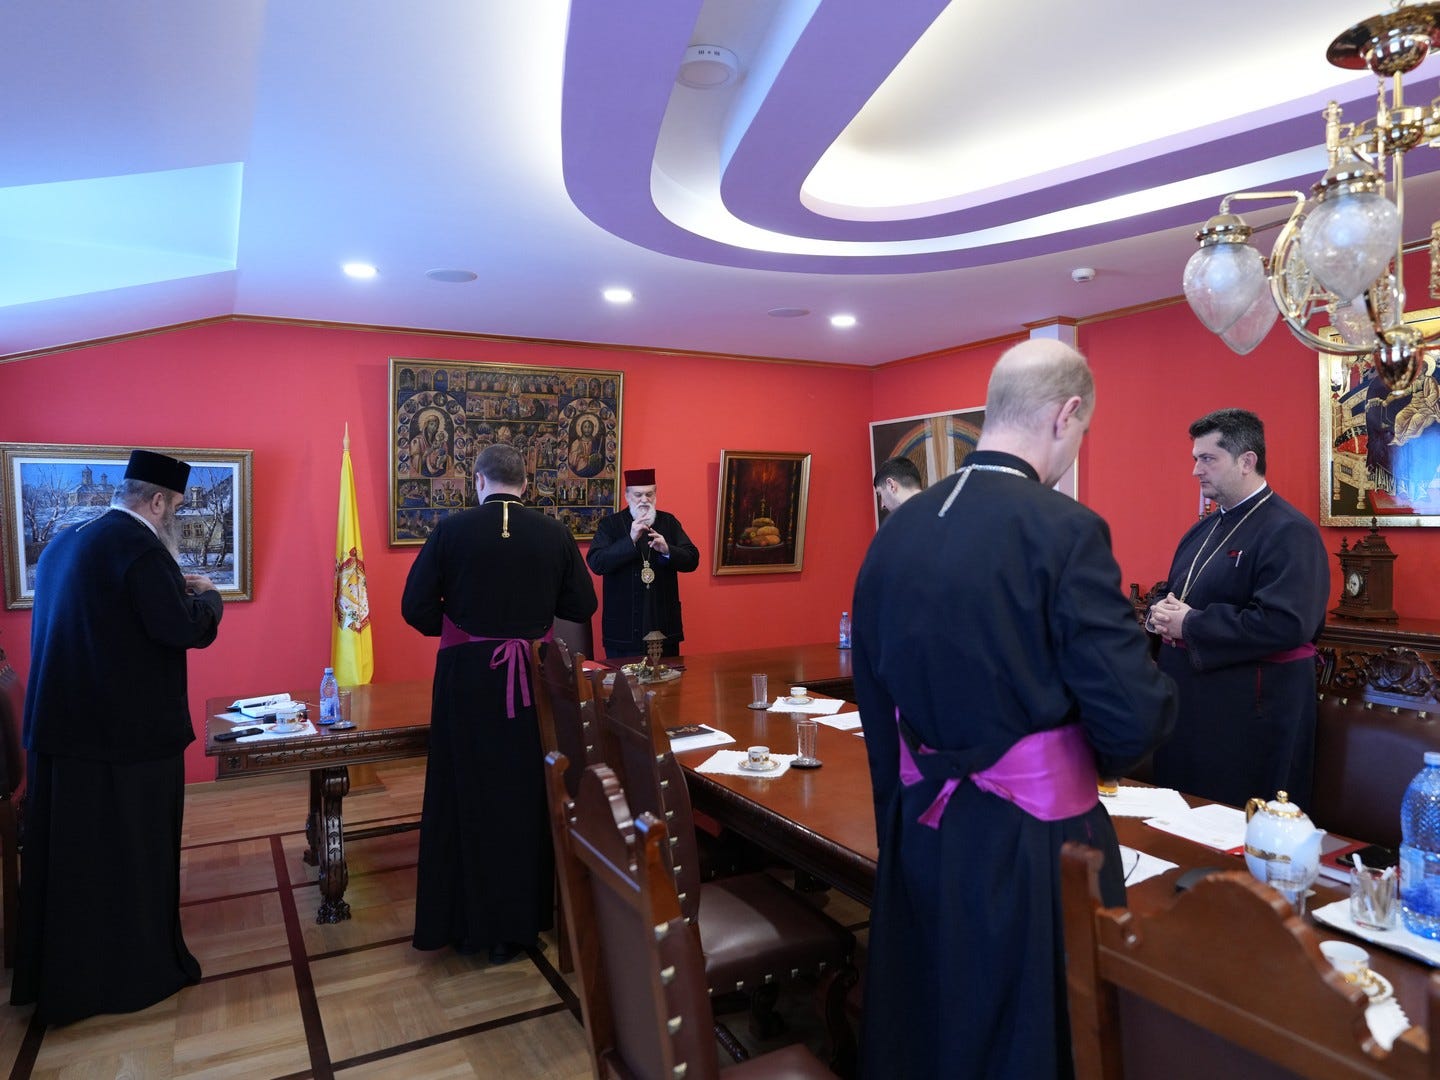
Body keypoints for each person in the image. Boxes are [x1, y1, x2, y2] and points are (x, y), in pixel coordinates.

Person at [851, 339, 1176, 1079]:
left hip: (922, 822)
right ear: (1067, 414)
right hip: (1032, 846)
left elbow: (876, 705)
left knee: (937, 1024)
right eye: (1083, 430)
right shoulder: (1065, 529)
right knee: (1030, 1040)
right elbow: (1130, 716)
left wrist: (897, 820)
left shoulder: (897, 530)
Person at [12, 449, 224, 1024]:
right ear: (156, 502)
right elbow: (181, 629)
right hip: (125, 744)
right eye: (176, 508)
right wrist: (209, 598)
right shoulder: (140, 549)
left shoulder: (66, 540)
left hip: (61, 736)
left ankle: (62, 977)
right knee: (129, 860)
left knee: (73, 865)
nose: (177, 518)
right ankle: (132, 975)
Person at [401, 443, 596, 964]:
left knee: (464, 792)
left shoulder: (450, 530)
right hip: (532, 678)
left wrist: (462, 631)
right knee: (523, 795)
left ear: (478, 481)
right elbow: (582, 604)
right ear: (526, 484)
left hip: (466, 679)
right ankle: (521, 924)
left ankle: (465, 925)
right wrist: (534, 619)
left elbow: (415, 607)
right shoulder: (554, 533)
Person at [1148, 408, 1329, 807]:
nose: (1196, 470)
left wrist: (1189, 624)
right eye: (1196, 458)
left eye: (1208, 458)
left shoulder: (1290, 531)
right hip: (1190, 704)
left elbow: (1286, 623)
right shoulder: (1202, 528)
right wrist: (1159, 612)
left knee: (1231, 821)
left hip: (1248, 713)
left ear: (1247, 461)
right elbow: (1175, 592)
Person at [586, 468, 700, 659]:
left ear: (655, 494)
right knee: (624, 678)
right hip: (623, 629)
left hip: (663, 626)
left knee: (668, 677)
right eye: (638, 495)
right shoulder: (610, 524)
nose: (644, 500)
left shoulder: (668, 522)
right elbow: (597, 563)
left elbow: (692, 559)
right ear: (627, 496)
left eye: (649, 494)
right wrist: (630, 539)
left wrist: (668, 550)